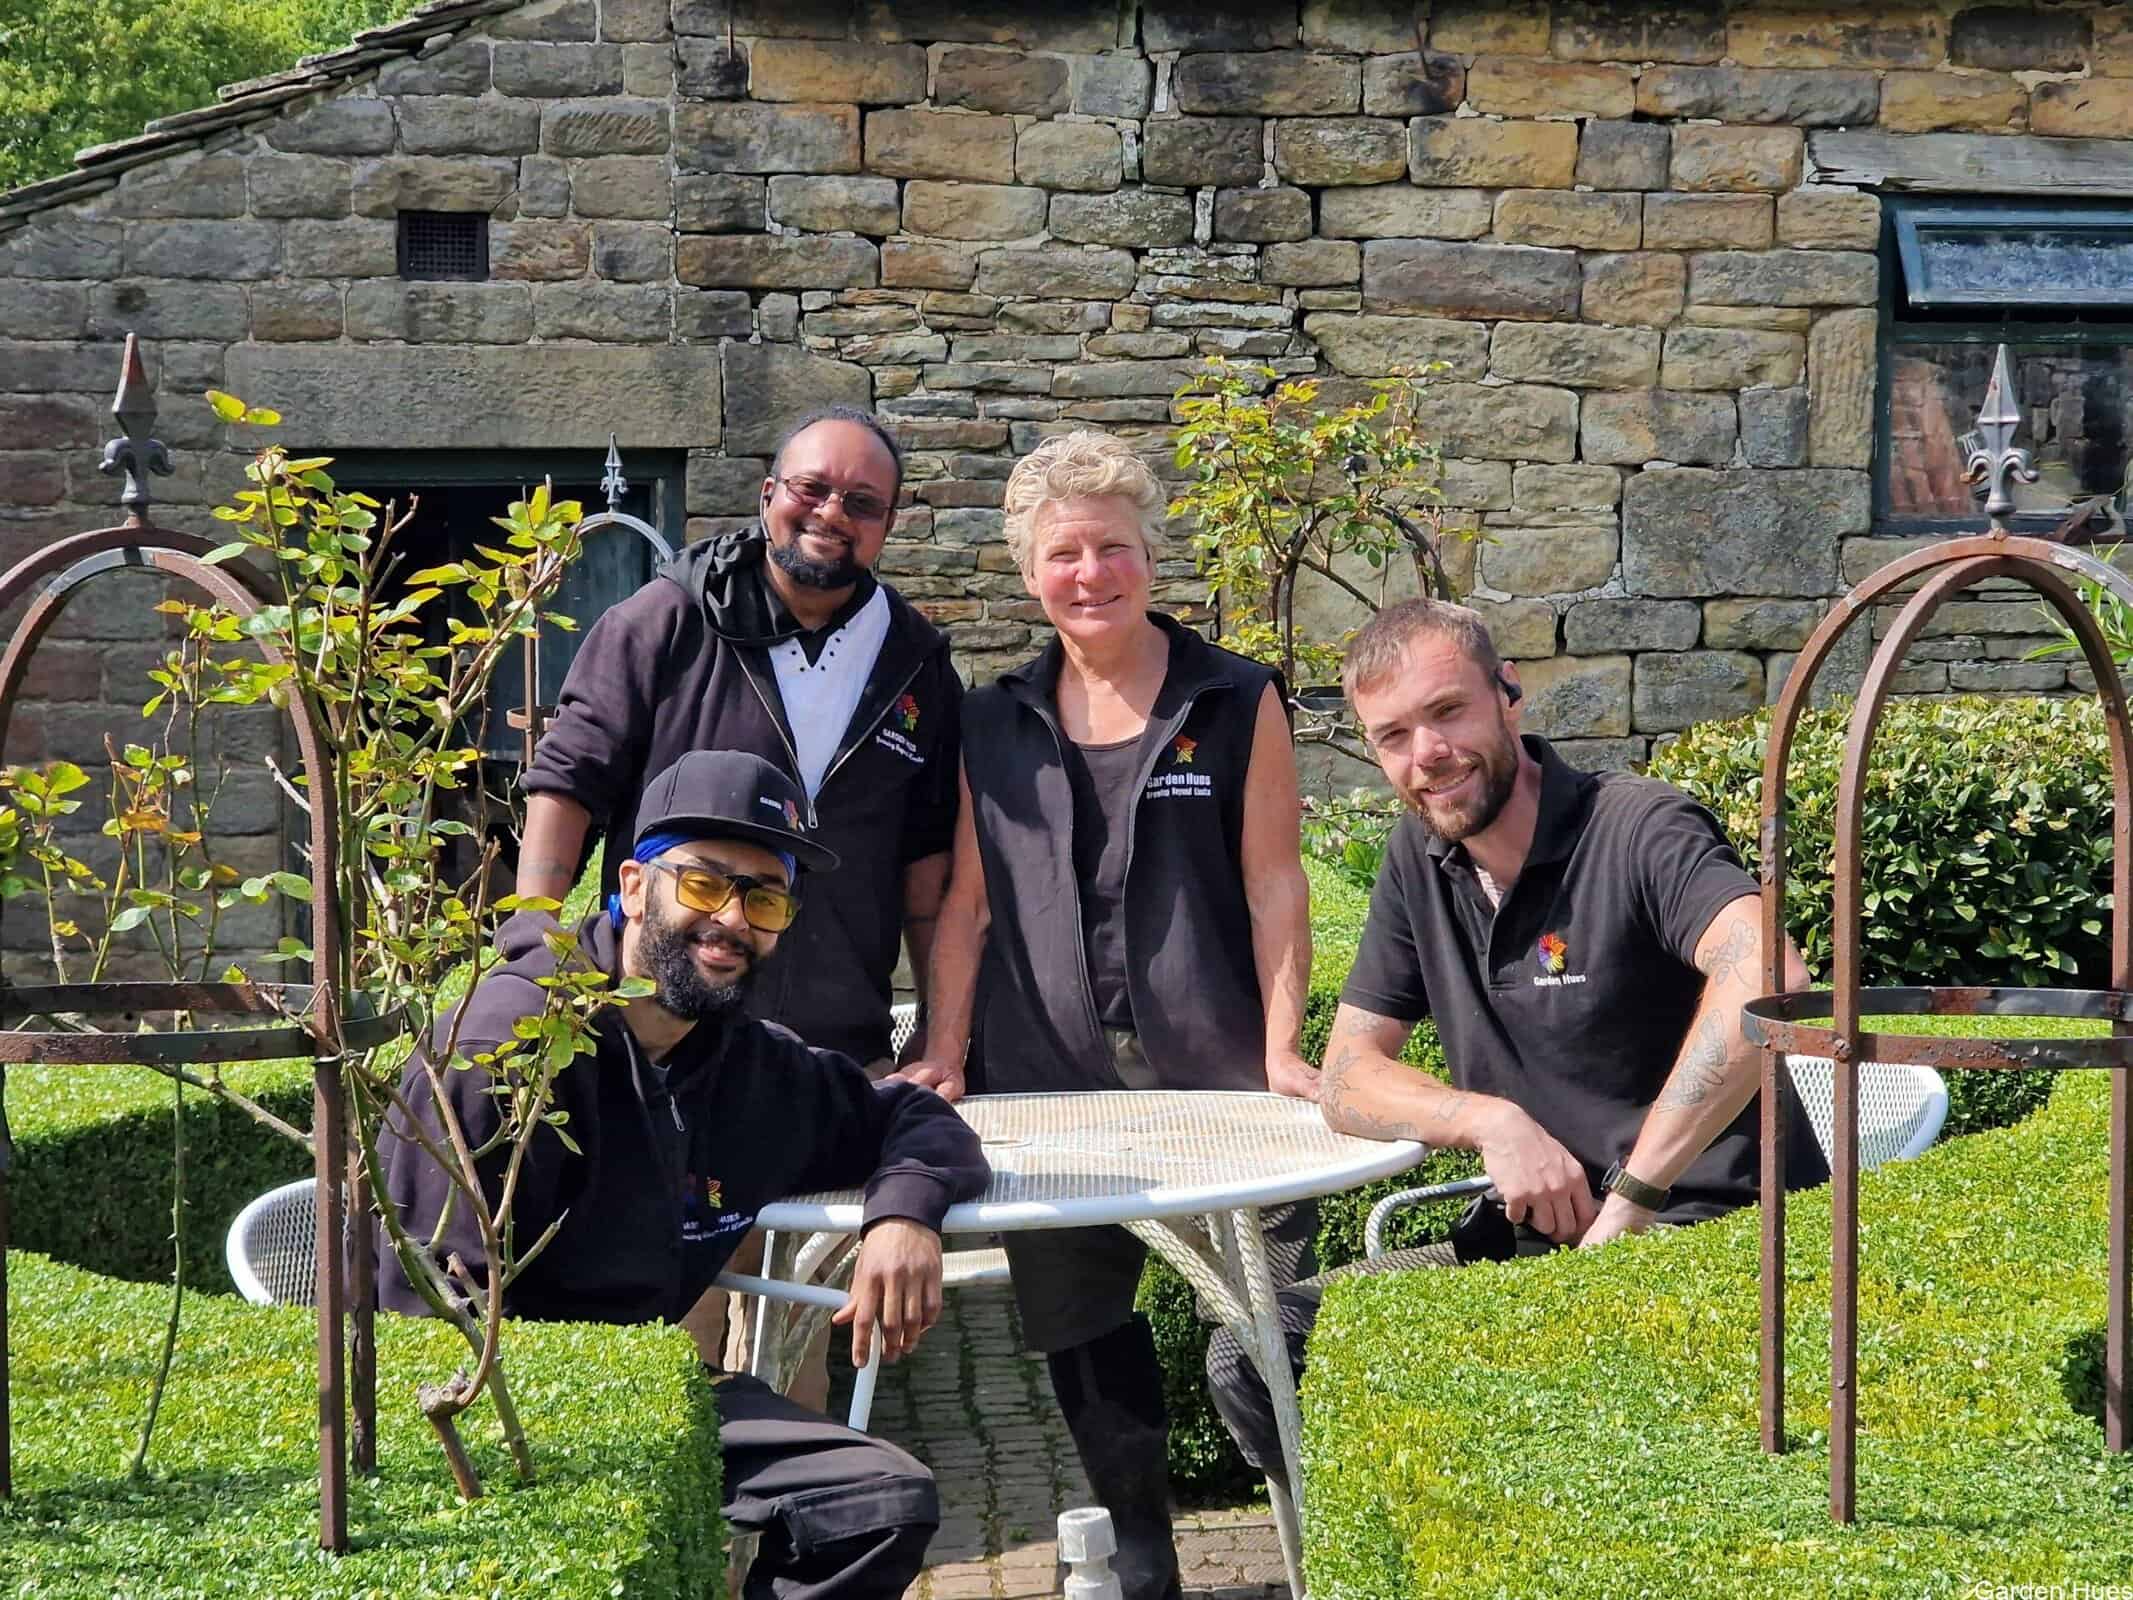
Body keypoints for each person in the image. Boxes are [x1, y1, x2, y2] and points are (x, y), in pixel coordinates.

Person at [1202, 597, 1829, 1486]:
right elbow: (1346, 1075)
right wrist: (1491, 1122)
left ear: (1508, 694)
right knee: (1255, 1355)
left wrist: (1632, 1196)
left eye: (1446, 711)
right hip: (1533, 1255)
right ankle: (1388, 1552)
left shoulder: (1636, 825)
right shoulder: (1418, 860)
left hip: (1710, 1243)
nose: (1427, 754)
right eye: (1393, 736)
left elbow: (1766, 977)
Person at [376, 750, 989, 1600]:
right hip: (497, 1399)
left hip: (654, 1388)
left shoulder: (745, 1063)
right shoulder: (505, 1051)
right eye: (703, 885)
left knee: (876, 1502)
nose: (732, 920)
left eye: (764, 899)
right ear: (633, 887)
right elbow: (425, 1315)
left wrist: (904, 1217)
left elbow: (913, 1116)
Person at [895, 430, 1316, 1600]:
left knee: (1271, 1325)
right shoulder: (995, 719)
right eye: (1066, 554)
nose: (1092, 573)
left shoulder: (1234, 698)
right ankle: (1144, 1557)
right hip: (1047, 1081)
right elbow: (968, 903)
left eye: (1113, 547)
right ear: (1031, 572)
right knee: (1083, 1325)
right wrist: (944, 1051)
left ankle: (1321, 1538)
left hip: (1219, 1078)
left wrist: (1285, 1045)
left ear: (1150, 556)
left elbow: (1276, 882)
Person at [516, 406, 961, 1073]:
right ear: (769, 493)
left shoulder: (915, 662)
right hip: (656, 1041)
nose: (831, 513)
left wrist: (935, 1028)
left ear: (888, 524)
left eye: (862, 503)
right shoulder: (663, 622)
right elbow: (566, 785)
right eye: (811, 488)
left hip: (837, 1050)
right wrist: (532, 952)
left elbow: (927, 861)